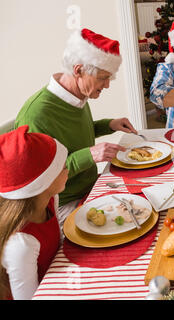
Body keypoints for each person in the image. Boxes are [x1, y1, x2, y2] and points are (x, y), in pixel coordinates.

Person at [15, 28, 137, 225]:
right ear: (78, 70)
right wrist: (90, 155)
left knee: (139, 196)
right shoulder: (38, 114)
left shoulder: (76, 94)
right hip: (60, 202)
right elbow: (41, 180)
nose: (106, 85)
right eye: (103, 77)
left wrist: (109, 125)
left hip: (89, 185)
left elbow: (76, 134)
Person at [0, 126, 68, 300]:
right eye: (61, 166)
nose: (67, 169)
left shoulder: (50, 199)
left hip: (56, 279)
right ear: (41, 183)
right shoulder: (21, 244)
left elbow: (57, 246)